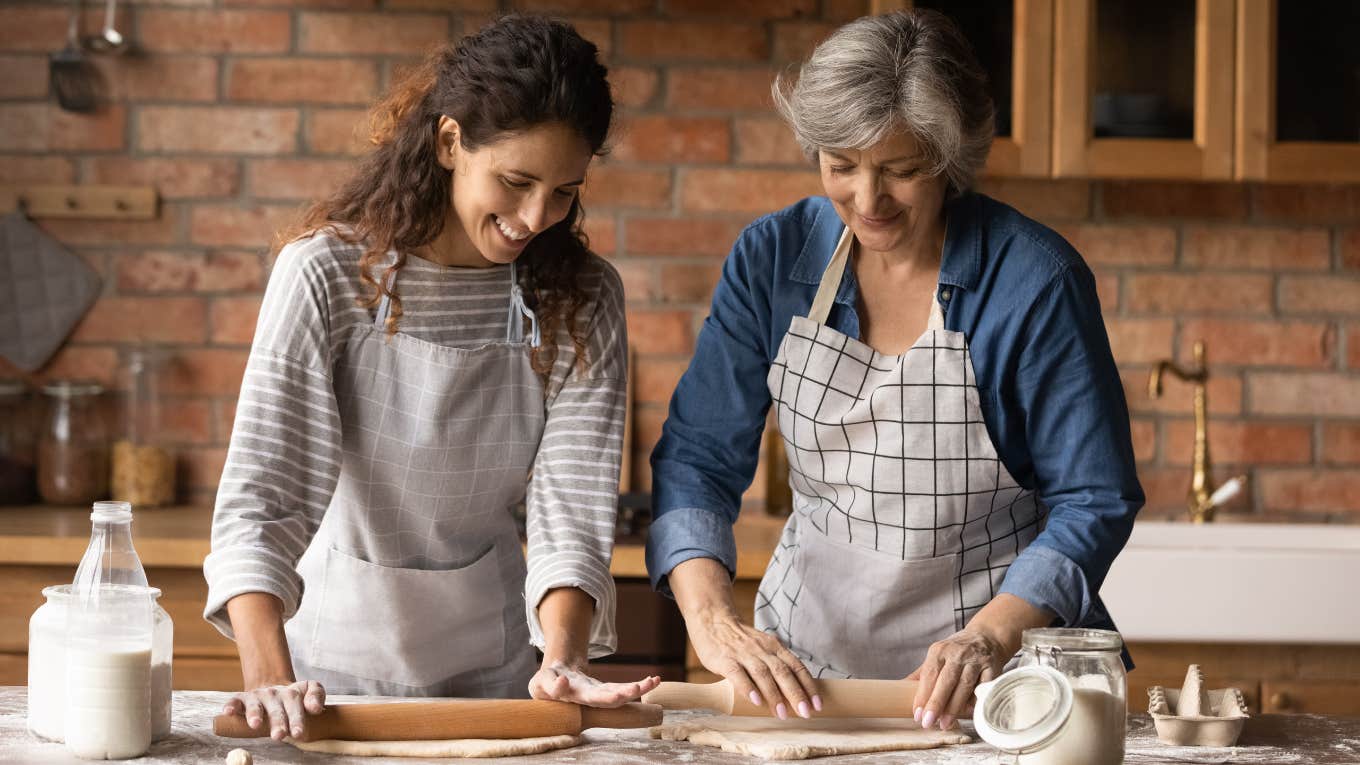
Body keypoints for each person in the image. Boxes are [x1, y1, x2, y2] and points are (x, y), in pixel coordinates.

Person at [647, 8, 1143, 732]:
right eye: (841, 165)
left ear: (949, 160)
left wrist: (989, 637)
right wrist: (712, 620)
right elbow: (697, 459)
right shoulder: (773, 260)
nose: (868, 200)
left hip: (997, 688)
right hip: (804, 681)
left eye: (900, 170)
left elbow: (1095, 498)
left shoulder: (1035, 282)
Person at [203, 15, 657, 741]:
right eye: (515, 182)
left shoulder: (583, 296)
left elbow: (571, 503)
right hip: (324, 688)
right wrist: (269, 681)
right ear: (450, 143)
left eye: (564, 191)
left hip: (497, 688)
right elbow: (261, 502)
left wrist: (564, 655)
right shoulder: (327, 275)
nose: (536, 218)